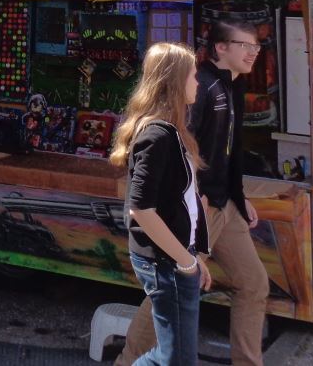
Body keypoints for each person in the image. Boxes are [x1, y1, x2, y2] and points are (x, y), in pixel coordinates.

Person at [118, 22, 268, 366]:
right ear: (220, 48)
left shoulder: (230, 86)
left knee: (253, 283)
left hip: (224, 204)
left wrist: (238, 195)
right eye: (244, 45)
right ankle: (129, 360)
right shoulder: (202, 89)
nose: (253, 53)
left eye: (256, 47)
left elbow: (227, 151)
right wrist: (194, 207)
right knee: (171, 288)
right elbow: (180, 155)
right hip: (202, 207)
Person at [110, 42, 210, 366]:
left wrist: (193, 254)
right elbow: (140, 209)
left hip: (174, 257)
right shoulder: (157, 135)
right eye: (193, 75)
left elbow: (182, 201)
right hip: (165, 262)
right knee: (176, 359)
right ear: (175, 82)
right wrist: (186, 260)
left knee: (175, 358)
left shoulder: (170, 132)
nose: (198, 83)